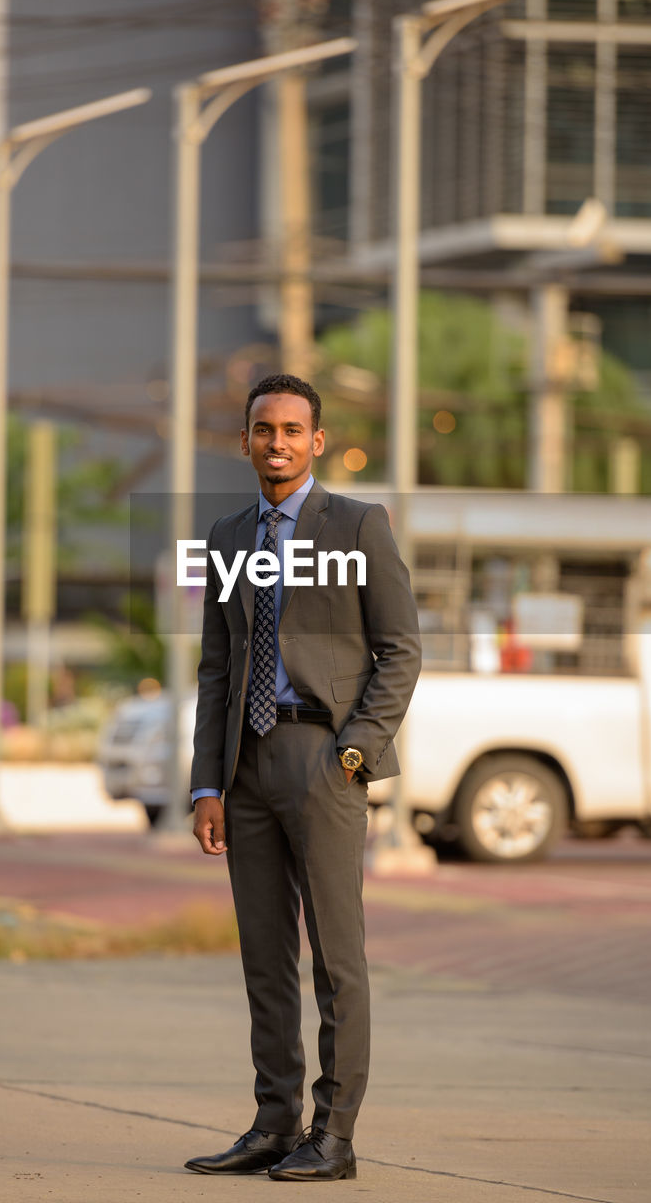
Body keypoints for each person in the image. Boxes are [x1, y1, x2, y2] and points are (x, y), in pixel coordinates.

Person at [184, 374, 421, 1182]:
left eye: (291, 429)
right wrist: (205, 784)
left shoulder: (358, 525)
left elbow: (401, 650)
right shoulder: (224, 537)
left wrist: (355, 752)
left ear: (316, 441)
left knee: (335, 959)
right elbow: (218, 668)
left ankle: (337, 1135)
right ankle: (275, 1122)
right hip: (245, 767)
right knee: (264, 953)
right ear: (245, 440)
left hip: (323, 761)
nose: (276, 441)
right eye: (262, 429)